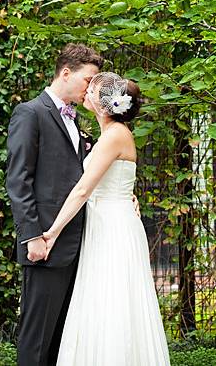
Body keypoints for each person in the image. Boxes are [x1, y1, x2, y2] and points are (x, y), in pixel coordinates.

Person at [43, 72, 170, 366]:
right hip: (108, 221)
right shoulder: (111, 135)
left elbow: (83, 189)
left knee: (112, 300)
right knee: (101, 300)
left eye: (94, 89)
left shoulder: (115, 136)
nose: (87, 90)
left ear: (104, 104)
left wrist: (52, 232)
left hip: (112, 228)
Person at [6, 43, 104, 366]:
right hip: (45, 247)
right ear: (65, 72)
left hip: (76, 250)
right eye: (88, 80)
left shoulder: (76, 122)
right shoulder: (30, 113)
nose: (91, 89)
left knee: (61, 345)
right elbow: (18, 180)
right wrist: (32, 235)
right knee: (35, 343)